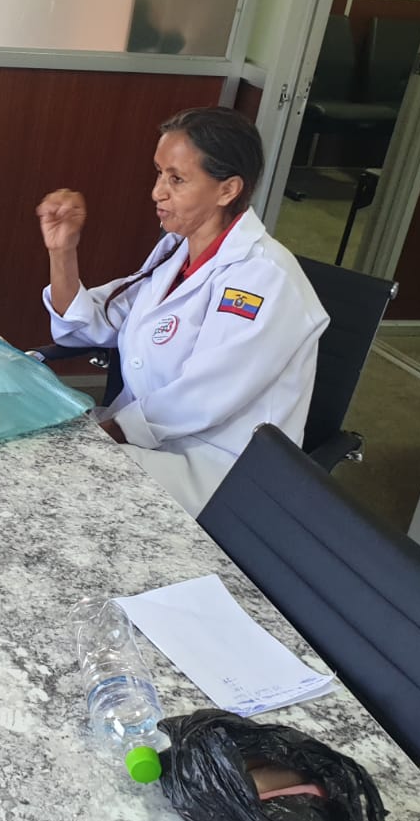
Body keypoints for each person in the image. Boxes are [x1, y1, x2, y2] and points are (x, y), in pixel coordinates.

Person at [37, 106, 328, 516]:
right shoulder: (176, 249)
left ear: (227, 190)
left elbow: (204, 396)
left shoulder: (264, 280)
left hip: (215, 470)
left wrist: (104, 434)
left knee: (44, 483)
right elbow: (95, 323)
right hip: (148, 443)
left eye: (176, 179)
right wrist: (62, 252)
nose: (157, 191)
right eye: (159, 173)